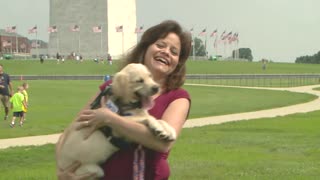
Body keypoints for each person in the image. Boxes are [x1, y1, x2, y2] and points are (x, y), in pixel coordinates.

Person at [56, 20, 192, 180]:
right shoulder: (111, 87)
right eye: (160, 45)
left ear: (178, 63)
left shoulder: (178, 97)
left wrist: (109, 118)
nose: (166, 52)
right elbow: (72, 129)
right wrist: (63, 172)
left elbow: (163, 143)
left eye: (174, 51)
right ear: (146, 48)